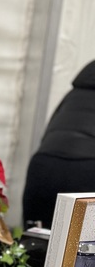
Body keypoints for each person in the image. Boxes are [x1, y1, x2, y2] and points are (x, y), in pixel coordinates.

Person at [22, 59, 95, 228]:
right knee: (81, 242)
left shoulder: (72, 96)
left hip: (43, 166)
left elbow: (47, 134)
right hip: (89, 171)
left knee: (36, 239)